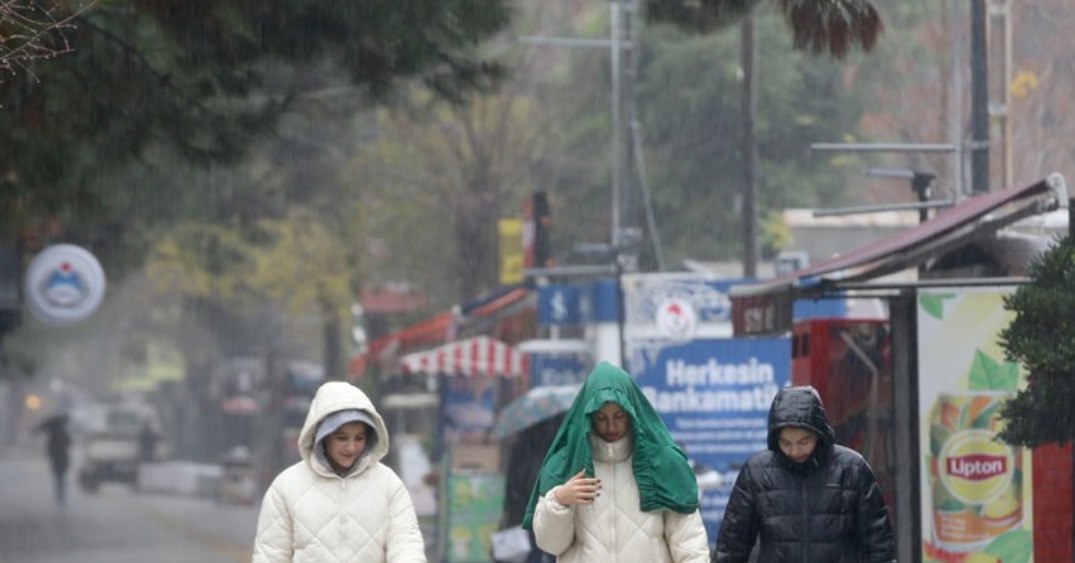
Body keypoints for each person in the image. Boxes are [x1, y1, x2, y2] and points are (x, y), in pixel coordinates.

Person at [523, 361, 709, 563]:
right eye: (601, 417)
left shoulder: (661, 462)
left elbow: (689, 543)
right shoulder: (567, 464)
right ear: (589, 417)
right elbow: (551, 545)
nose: (611, 426)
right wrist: (559, 501)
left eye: (619, 416)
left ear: (631, 413)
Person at [712, 385, 896, 563]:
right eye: (786, 443)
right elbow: (732, 546)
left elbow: (879, 544)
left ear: (820, 433)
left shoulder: (853, 469)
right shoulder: (756, 473)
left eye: (803, 442)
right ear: (776, 439)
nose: (795, 451)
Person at [251, 381, 426, 563]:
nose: (351, 447)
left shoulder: (389, 484)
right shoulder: (286, 487)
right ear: (322, 437)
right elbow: (270, 555)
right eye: (341, 438)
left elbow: (406, 545)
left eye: (360, 438)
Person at [35, 414, 71, 506]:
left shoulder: (53, 436)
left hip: (57, 459)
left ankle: (59, 496)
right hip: (62, 459)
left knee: (58, 478)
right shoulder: (63, 432)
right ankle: (60, 496)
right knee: (61, 478)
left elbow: (49, 449)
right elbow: (69, 443)